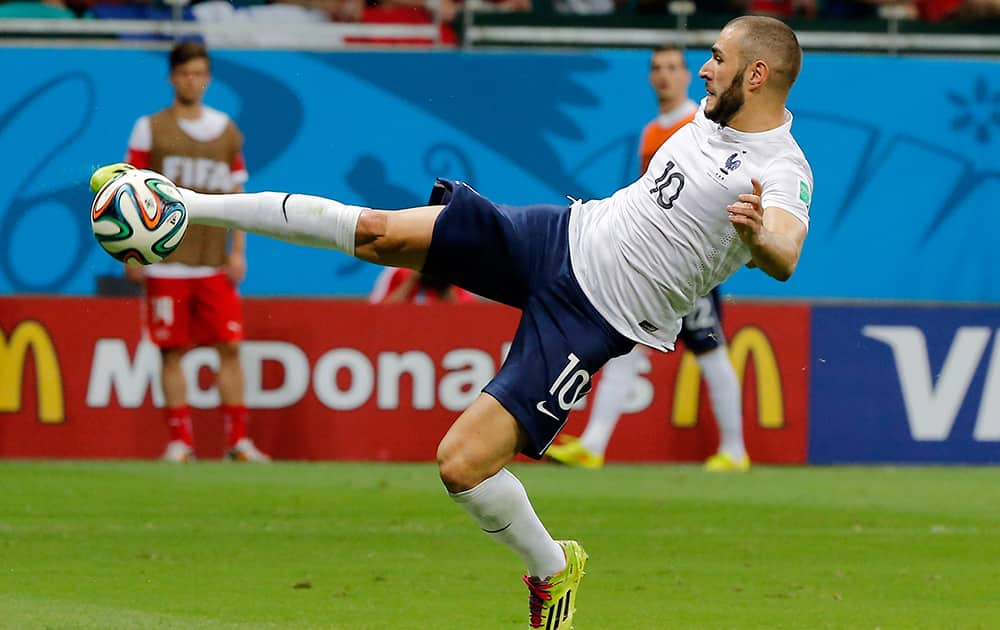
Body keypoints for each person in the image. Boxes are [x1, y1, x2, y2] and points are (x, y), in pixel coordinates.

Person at [92, 16, 812, 628]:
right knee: (380, 233)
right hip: (561, 236)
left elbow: (785, 249)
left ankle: (553, 567)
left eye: (716, 59)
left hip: (592, 317)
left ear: (755, 75)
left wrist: (758, 239)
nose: (702, 70)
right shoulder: (702, 117)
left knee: (460, 464)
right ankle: (184, 204)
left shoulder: (782, 167)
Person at [546, 45, 749, 473]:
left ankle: (734, 449)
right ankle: (594, 445)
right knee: (629, 349)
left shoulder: (700, 123)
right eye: (656, 68)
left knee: (708, 350)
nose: (664, 76)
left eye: (673, 68)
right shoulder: (651, 131)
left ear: (687, 75)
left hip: (688, 266)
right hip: (654, 262)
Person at [120, 41, 268, 463]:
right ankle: (180, 443)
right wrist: (132, 255)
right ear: (172, 77)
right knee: (171, 352)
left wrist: (239, 249)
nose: (192, 80)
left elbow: (239, 193)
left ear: (209, 78)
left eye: (200, 73)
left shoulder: (225, 129)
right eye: (185, 73)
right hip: (166, 264)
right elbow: (128, 192)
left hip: (212, 261)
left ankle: (237, 442)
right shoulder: (150, 128)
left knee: (230, 349)